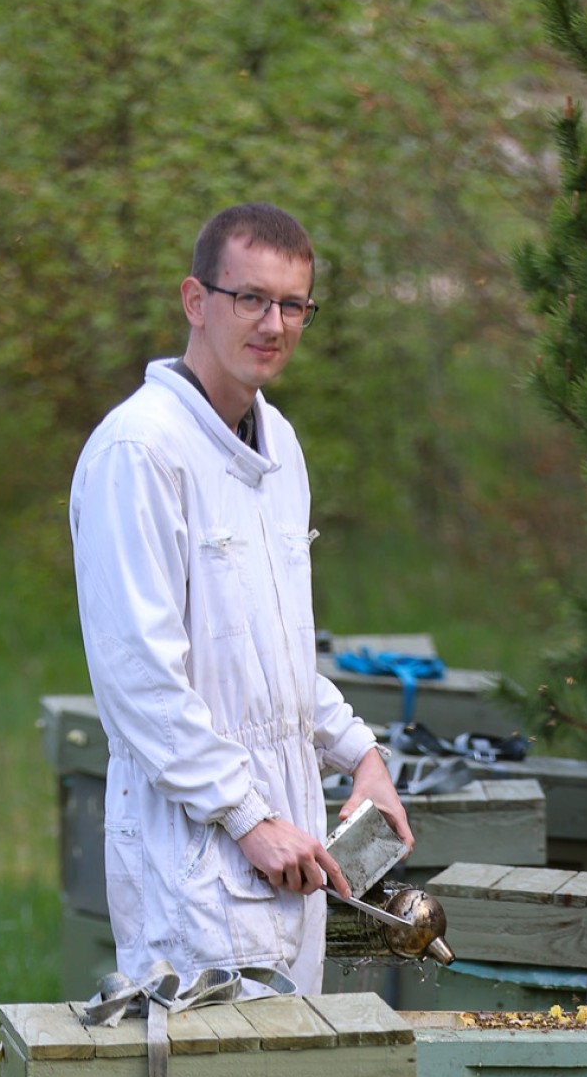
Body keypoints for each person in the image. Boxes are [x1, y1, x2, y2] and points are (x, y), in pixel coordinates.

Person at [69, 200, 413, 995]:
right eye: (250, 298)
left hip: (286, 840)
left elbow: (277, 652)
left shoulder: (279, 444)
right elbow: (138, 679)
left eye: (293, 304)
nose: (274, 323)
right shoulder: (140, 450)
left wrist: (361, 754)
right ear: (196, 300)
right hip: (190, 848)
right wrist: (246, 817)